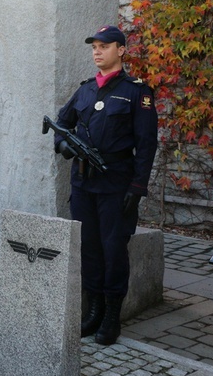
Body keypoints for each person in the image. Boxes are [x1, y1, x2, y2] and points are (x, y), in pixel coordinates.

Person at [53, 25, 158, 346]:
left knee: (114, 250)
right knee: (89, 248)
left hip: (116, 184)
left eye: (104, 46)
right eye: (94, 47)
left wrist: (137, 188)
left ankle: (112, 314)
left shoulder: (137, 91)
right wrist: (64, 146)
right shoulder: (85, 90)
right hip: (84, 183)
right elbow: (62, 122)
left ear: (121, 50)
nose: (97, 51)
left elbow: (147, 144)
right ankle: (94, 310)